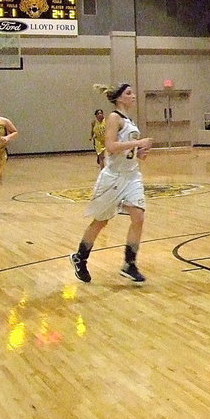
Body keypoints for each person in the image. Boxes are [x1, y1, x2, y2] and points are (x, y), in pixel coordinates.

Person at [70, 83, 153, 283]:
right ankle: (80, 257)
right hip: (113, 177)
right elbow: (110, 146)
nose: (133, 96)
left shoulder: (130, 121)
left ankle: (129, 263)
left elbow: (126, 151)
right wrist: (137, 143)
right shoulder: (114, 117)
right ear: (119, 98)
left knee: (138, 216)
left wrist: (139, 153)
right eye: (129, 93)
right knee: (101, 221)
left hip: (131, 175)